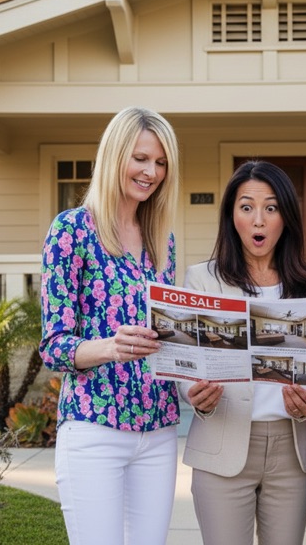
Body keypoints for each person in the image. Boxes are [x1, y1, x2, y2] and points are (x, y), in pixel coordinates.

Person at [39, 106, 181, 545]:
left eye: (160, 163)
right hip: (94, 426)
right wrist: (110, 346)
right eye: (140, 158)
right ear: (115, 155)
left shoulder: (162, 239)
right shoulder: (71, 230)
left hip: (158, 428)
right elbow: (54, 346)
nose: (151, 172)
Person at [179, 160, 306, 545]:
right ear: (232, 216)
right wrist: (195, 395)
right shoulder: (202, 279)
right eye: (246, 207)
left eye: (271, 208)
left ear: (286, 217)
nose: (258, 220)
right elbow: (187, 359)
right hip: (221, 445)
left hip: (291, 453)